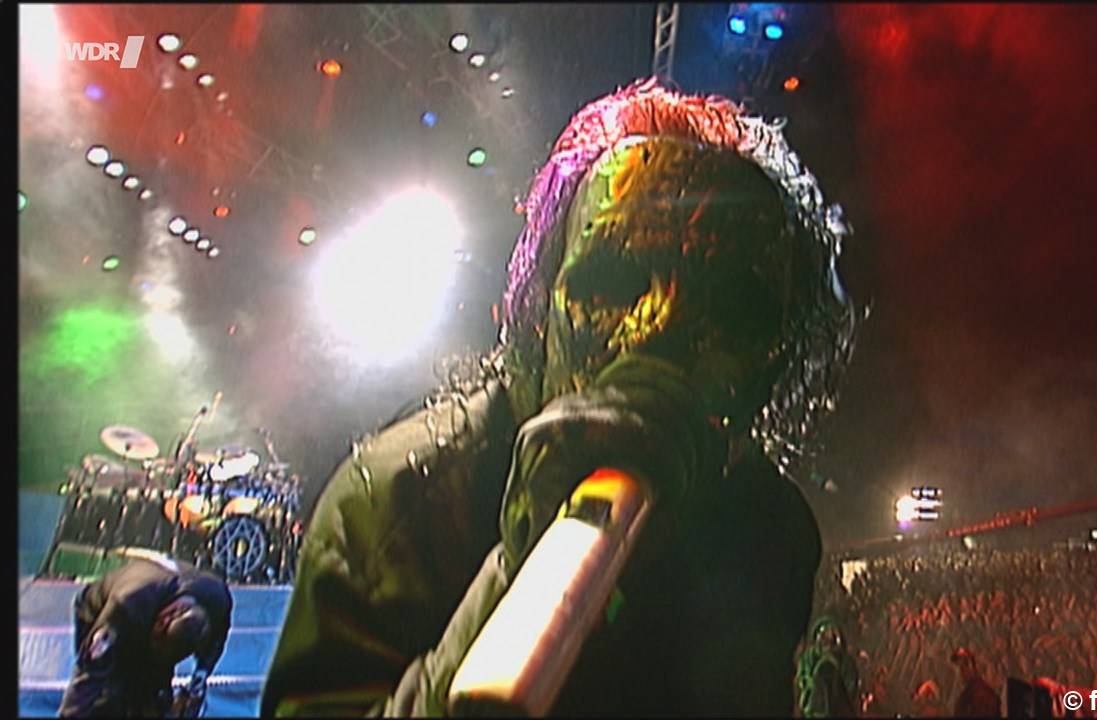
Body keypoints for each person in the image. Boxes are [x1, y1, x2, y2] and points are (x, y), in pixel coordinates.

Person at [262, 77, 862, 716]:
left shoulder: (767, 528)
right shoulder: (399, 504)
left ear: (777, 354)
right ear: (541, 310)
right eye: (613, 284)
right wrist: (521, 570)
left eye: (725, 307)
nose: (654, 335)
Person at [57, 558, 232, 717]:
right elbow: (90, 673)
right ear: (163, 620)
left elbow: (215, 643)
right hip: (101, 610)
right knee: (109, 694)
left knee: (155, 694)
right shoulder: (127, 606)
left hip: (155, 603)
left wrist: (199, 678)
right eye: (156, 644)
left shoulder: (217, 602)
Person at [795, 617, 860, 717]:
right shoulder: (809, 658)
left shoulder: (846, 661)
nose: (827, 640)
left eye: (830, 636)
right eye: (823, 636)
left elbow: (850, 686)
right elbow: (802, 679)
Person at [951, 647, 1002, 718]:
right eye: (958, 667)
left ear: (972, 667)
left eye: (964, 666)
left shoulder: (983, 696)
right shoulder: (968, 694)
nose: (960, 672)